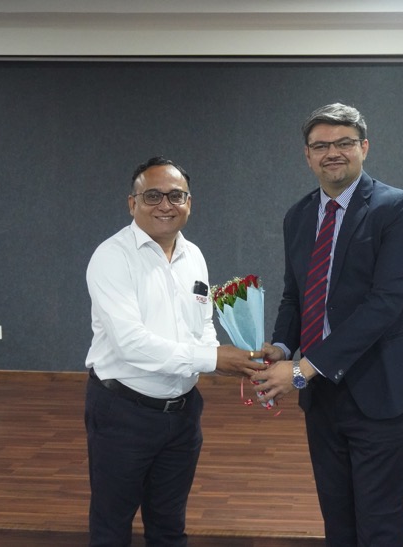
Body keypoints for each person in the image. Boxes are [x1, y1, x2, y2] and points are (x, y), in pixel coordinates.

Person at [253, 103, 403, 546]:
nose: (332, 152)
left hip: (382, 387)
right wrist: (281, 347)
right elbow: (295, 295)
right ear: (307, 155)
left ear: (364, 147)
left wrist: (303, 368)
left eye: (344, 143)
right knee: (337, 520)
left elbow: (385, 303)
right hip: (322, 397)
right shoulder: (298, 216)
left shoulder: (397, 207)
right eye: (321, 146)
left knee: (379, 525)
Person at [84, 155, 264, 547]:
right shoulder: (112, 257)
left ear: (189, 203)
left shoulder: (193, 255)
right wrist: (213, 359)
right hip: (123, 413)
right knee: (111, 528)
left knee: (169, 527)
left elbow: (202, 322)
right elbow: (130, 343)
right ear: (132, 203)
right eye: (152, 196)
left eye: (176, 196)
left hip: (183, 414)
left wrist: (232, 359)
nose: (165, 205)